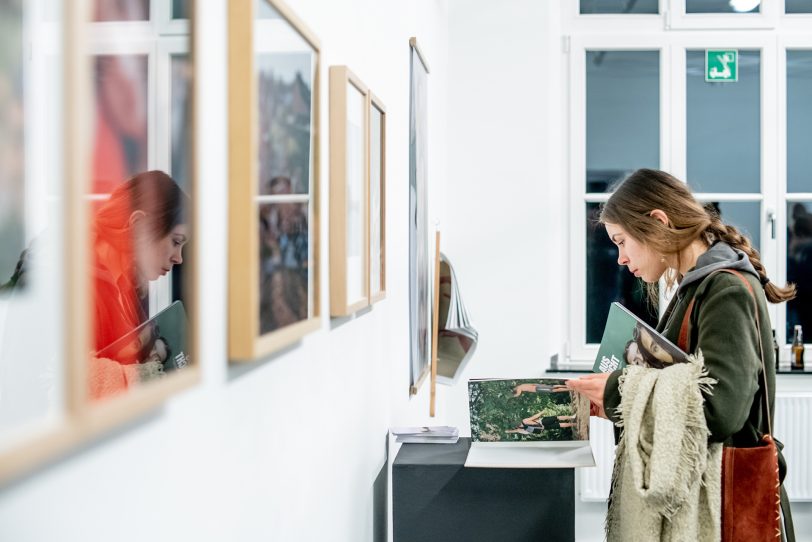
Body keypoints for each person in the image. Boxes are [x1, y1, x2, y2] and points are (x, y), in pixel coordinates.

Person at [566, 168, 795, 540]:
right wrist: (616, 403)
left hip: (727, 509)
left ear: (658, 221)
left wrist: (619, 392)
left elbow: (720, 409)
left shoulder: (725, 290)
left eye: (622, 241)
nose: (620, 258)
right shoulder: (696, 289)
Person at [90, 170, 189, 398]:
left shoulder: (126, 284)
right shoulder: (81, 282)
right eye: (176, 242)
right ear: (138, 225)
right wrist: (143, 378)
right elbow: (64, 377)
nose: (179, 258)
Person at [505, 414, 576, 436]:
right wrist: (541, 412)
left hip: (542, 429)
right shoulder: (524, 421)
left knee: (559, 425)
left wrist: (509, 431)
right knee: (556, 418)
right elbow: (534, 417)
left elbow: (515, 431)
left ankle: (574, 424)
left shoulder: (520, 430)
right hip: (542, 422)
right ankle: (572, 417)